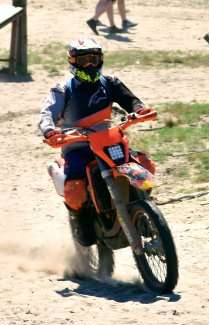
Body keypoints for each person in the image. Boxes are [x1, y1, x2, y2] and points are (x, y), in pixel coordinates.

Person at [39, 37, 150, 244]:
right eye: (84, 60)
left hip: (108, 141)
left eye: (93, 58)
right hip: (77, 147)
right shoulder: (62, 89)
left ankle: (145, 209)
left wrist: (140, 110)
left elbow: (131, 100)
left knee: (145, 165)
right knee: (74, 189)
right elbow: (48, 113)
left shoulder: (110, 83)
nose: (89, 64)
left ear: (100, 59)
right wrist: (49, 130)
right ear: (73, 62)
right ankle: (80, 220)